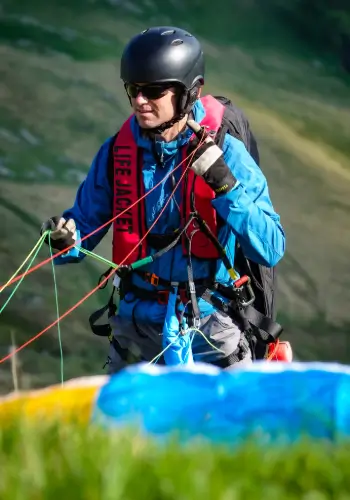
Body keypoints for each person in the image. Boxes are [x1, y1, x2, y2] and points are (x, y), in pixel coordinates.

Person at [41, 26, 286, 372]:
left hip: (210, 331)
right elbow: (83, 229)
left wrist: (226, 186)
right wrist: (65, 238)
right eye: (133, 89)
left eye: (153, 90)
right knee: (116, 427)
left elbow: (271, 246)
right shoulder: (117, 154)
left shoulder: (226, 153)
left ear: (189, 92)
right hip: (135, 326)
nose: (140, 100)